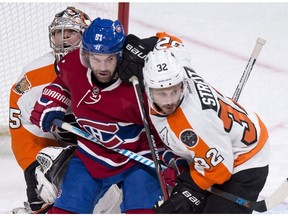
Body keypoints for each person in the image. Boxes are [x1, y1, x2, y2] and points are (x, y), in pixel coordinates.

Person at [29, 17, 171, 214]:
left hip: (140, 157)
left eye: (109, 59)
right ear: (86, 55)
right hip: (91, 154)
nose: (102, 67)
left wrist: (171, 157)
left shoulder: (142, 76)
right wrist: (53, 99)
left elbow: (170, 109)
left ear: (120, 55)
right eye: (96, 59)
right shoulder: (74, 66)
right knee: (66, 211)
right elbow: (62, 83)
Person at [9, 7, 121, 214]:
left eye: (70, 32)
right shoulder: (34, 76)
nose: (63, 38)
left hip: (110, 146)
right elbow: (23, 128)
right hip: (66, 151)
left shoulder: (109, 67)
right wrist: (33, 167)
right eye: (57, 33)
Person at [138, 47, 270, 213]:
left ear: (181, 84)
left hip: (246, 157)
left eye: (174, 91)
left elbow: (220, 169)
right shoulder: (178, 68)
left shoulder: (192, 124)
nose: (170, 100)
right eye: (162, 94)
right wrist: (141, 48)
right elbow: (173, 44)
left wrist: (189, 187)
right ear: (148, 88)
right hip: (223, 138)